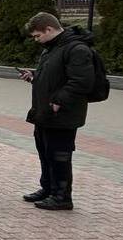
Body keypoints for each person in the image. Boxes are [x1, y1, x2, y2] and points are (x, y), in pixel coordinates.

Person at [18, 12, 94, 211]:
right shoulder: (52, 49)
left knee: (59, 155)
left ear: (49, 29)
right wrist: (34, 76)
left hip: (62, 115)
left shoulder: (76, 49)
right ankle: (48, 188)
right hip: (45, 113)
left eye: (37, 36)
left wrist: (59, 101)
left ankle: (62, 196)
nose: (36, 40)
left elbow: (81, 81)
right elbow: (55, 77)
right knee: (45, 152)